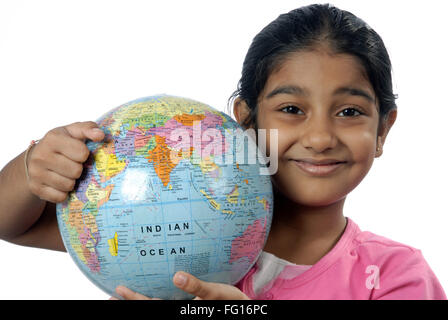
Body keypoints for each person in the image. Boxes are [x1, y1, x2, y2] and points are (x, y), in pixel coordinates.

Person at [0, 3, 445, 300]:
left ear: (383, 129)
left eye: (349, 111)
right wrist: (32, 169)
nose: (321, 137)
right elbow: (12, 225)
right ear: (246, 120)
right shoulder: (178, 226)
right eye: (291, 108)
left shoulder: (395, 276)